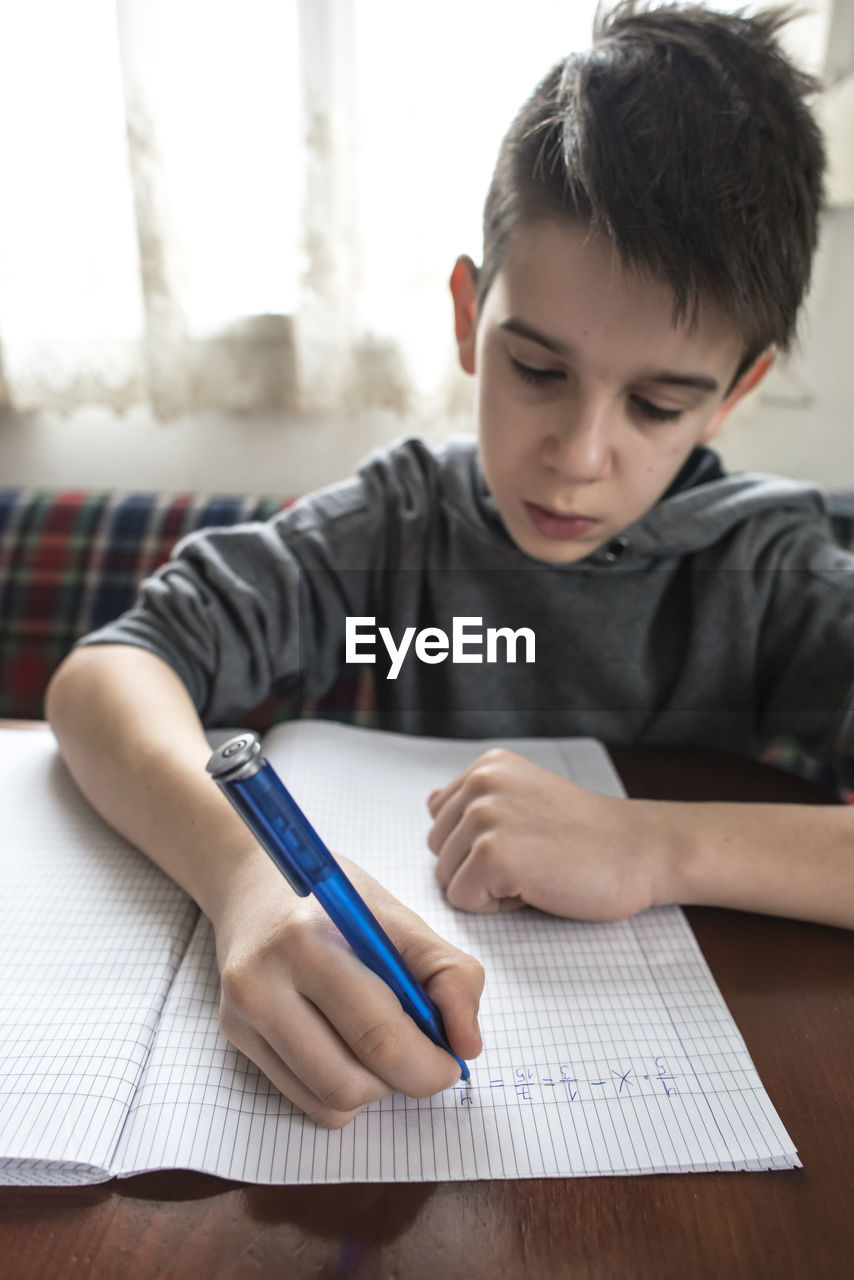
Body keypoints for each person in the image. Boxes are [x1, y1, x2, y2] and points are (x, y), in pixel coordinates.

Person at [46, 2, 854, 1132]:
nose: (575, 456)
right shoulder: (398, 522)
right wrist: (246, 882)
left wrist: (652, 844)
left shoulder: (771, 572)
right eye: (535, 368)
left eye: (657, 403)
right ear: (471, 318)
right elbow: (105, 675)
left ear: (735, 391)